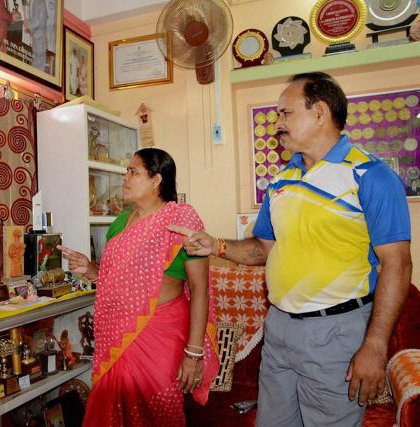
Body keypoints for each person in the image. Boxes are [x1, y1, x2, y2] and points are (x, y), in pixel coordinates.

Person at [171, 72, 412, 427]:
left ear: (320, 113)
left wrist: (375, 345)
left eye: (285, 113)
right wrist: (217, 245)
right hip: (280, 328)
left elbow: (398, 264)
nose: (277, 124)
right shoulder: (281, 180)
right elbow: (262, 248)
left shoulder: (369, 174)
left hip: (336, 331)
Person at [59, 148, 219, 426]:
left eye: (133, 171)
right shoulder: (120, 223)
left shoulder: (182, 219)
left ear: (156, 180)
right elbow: (114, 281)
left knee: (160, 411)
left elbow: (199, 289)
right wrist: (89, 268)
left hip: (161, 334)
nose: (125, 178)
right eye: (126, 171)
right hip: (118, 336)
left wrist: (194, 353)